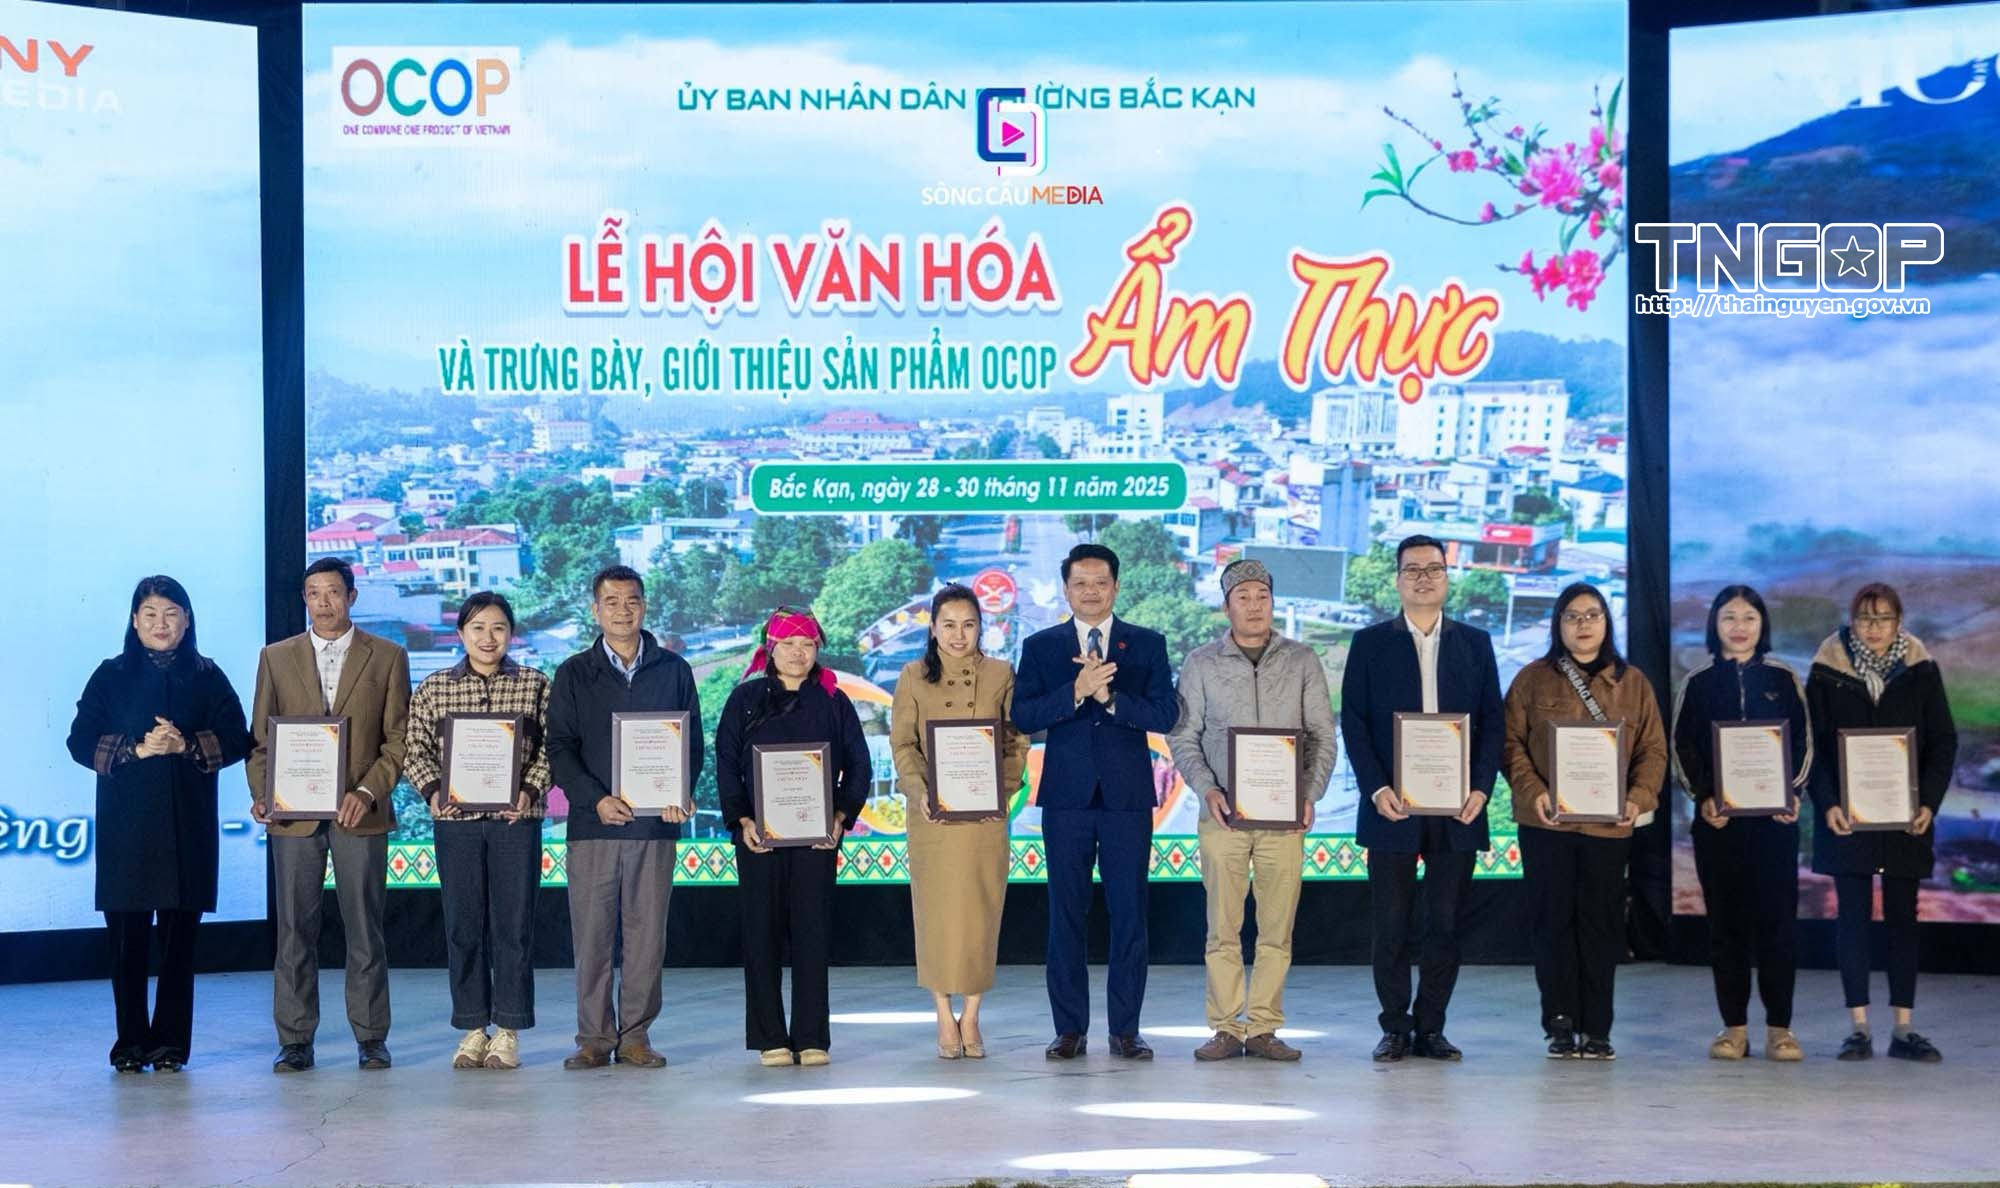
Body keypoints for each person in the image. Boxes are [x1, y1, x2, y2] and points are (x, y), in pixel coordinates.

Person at [66, 576, 251, 1074]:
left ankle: (170, 1044)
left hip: (187, 827)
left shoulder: (207, 675)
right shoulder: (110, 674)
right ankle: (129, 1042)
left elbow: (239, 737)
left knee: (178, 945)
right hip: (127, 830)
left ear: (187, 620)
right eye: (150, 614)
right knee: (126, 944)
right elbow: (79, 740)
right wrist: (137, 749)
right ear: (134, 621)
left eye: (171, 614)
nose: (160, 624)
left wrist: (185, 745)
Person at [1340, 536, 1505, 1063]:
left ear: (1447, 578)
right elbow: (1354, 722)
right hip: (1392, 805)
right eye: (1412, 569)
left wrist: (1481, 788)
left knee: (1445, 925)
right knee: (1390, 925)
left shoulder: (1475, 643)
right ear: (1397, 581)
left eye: (1434, 568)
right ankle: (1394, 1026)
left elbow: (1493, 724)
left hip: (1458, 808)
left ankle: (1431, 1026)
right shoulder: (1370, 644)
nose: (1424, 578)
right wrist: (1377, 788)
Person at [1012, 543, 1178, 1060]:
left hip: (1127, 799)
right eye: (1080, 583)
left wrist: (1111, 699)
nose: (1090, 591)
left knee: (1130, 915)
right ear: (1066, 590)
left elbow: (1165, 715)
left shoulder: (1146, 644)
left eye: (1100, 582)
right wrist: (1077, 691)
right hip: (1067, 800)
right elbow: (1024, 715)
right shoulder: (1041, 646)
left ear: (1116, 587)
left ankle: (1126, 1030)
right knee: (1066, 914)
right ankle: (1069, 1030)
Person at [1167, 559, 1336, 1062]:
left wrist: (1310, 794)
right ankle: (1225, 1026)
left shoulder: (1302, 659)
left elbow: (1323, 735)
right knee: (1222, 929)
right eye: (1243, 597)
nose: (1255, 605)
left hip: (1284, 820)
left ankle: (1263, 1026)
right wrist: (1207, 790)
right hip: (1224, 817)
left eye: (1262, 596)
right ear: (1227, 607)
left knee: (1276, 929)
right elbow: (1183, 737)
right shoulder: (1201, 662)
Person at [245, 558, 409, 1074]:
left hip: (360, 813)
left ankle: (372, 1037)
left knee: (365, 928)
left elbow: (398, 740)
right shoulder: (276, 657)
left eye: (333, 592)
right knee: (295, 930)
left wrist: (367, 790)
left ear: (352, 597)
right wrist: (264, 794)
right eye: (314, 592)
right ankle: (295, 1039)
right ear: (304, 599)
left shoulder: (388, 656)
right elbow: (260, 741)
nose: (324, 602)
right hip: (293, 817)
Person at [547, 565, 703, 1070]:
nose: (622, 610)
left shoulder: (674, 670)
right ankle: (594, 1037)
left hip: (654, 826)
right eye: (611, 602)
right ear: (596, 610)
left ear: (644, 606)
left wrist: (679, 792)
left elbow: (691, 744)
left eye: (631, 601)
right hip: (594, 826)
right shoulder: (574, 673)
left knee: (646, 936)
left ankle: (636, 1036)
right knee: (592, 937)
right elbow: (560, 748)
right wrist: (595, 799)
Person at [1503, 582, 1666, 1060]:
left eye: (1592, 615)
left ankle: (1597, 1029)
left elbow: (1653, 749)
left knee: (1600, 926)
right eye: (1572, 616)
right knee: (1551, 923)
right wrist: (1535, 793)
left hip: (1607, 828)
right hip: (1546, 825)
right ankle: (1559, 1023)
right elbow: (1509, 745)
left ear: (1606, 622)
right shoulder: (1532, 679)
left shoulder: (1633, 682)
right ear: (1558, 624)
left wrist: (1637, 798)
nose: (1583, 625)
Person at [1807, 582, 1957, 1063]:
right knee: (1851, 920)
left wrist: (1928, 803)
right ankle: (1858, 1028)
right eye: (1865, 618)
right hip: (1846, 818)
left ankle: (1904, 1029)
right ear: (1852, 621)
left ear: (1898, 622)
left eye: (1883, 618)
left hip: (1904, 817)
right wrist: (1827, 803)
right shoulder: (1827, 669)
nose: (1874, 628)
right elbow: (1813, 746)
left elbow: (1943, 741)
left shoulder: (1921, 668)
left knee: (1902, 921)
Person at [401, 592, 551, 1070]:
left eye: (498, 628)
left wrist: (529, 789)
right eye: (478, 628)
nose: (489, 638)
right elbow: (413, 749)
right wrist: (432, 792)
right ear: (461, 634)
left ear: (511, 634)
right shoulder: (435, 688)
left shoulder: (535, 685)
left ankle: (508, 1029)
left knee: (513, 927)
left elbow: (554, 747)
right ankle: (471, 1027)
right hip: (456, 824)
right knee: (463, 926)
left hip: (515, 823)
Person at [717, 609, 872, 1067]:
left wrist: (840, 816)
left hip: (816, 839)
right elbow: (726, 764)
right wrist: (741, 820)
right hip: (758, 838)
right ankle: (770, 1038)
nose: (798, 653)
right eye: (788, 644)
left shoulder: (834, 702)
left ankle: (811, 1036)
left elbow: (859, 766)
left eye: (807, 645)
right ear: (770, 649)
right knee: (760, 935)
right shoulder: (744, 699)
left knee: (812, 934)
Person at [1670, 585, 1811, 1062]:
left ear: (1762, 624)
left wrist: (1792, 793)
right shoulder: (1698, 682)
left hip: (1774, 825)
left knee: (1778, 928)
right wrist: (1704, 797)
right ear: (1715, 624)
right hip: (1719, 827)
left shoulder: (1783, 678)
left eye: (1749, 617)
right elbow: (1682, 747)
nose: (1739, 627)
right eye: (1729, 617)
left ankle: (1780, 1030)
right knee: (1726, 929)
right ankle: (1733, 1029)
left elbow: (1805, 742)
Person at [890, 585, 1030, 1060]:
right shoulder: (912, 676)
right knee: (935, 915)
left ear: (981, 628)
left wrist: (1001, 790)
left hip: (984, 815)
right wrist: (920, 792)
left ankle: (971, 1014)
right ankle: (941, 1013)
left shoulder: (1001, 673)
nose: (958, 635)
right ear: (932, 629)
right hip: (932, 816)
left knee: (980, 913)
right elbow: (903, 744)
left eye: (968, 625)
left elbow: (1015, 740)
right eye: (948, 625)